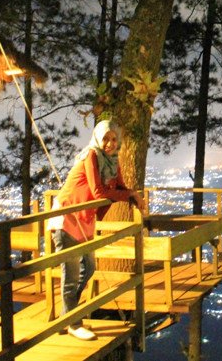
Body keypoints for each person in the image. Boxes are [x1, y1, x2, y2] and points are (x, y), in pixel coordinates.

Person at [48, 119, 143, 341]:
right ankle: (73, 322)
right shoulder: (91, 155)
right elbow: (98, 192)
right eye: (106, 139)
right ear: (97, 138)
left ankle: (67, 313)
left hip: (85, 220)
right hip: (67, 218)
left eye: (114, 139)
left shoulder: (112, 161)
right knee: (70, 274)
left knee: (89, 268)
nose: (110, 143)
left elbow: (120, 187)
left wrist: (132, 194)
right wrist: (129, 196)